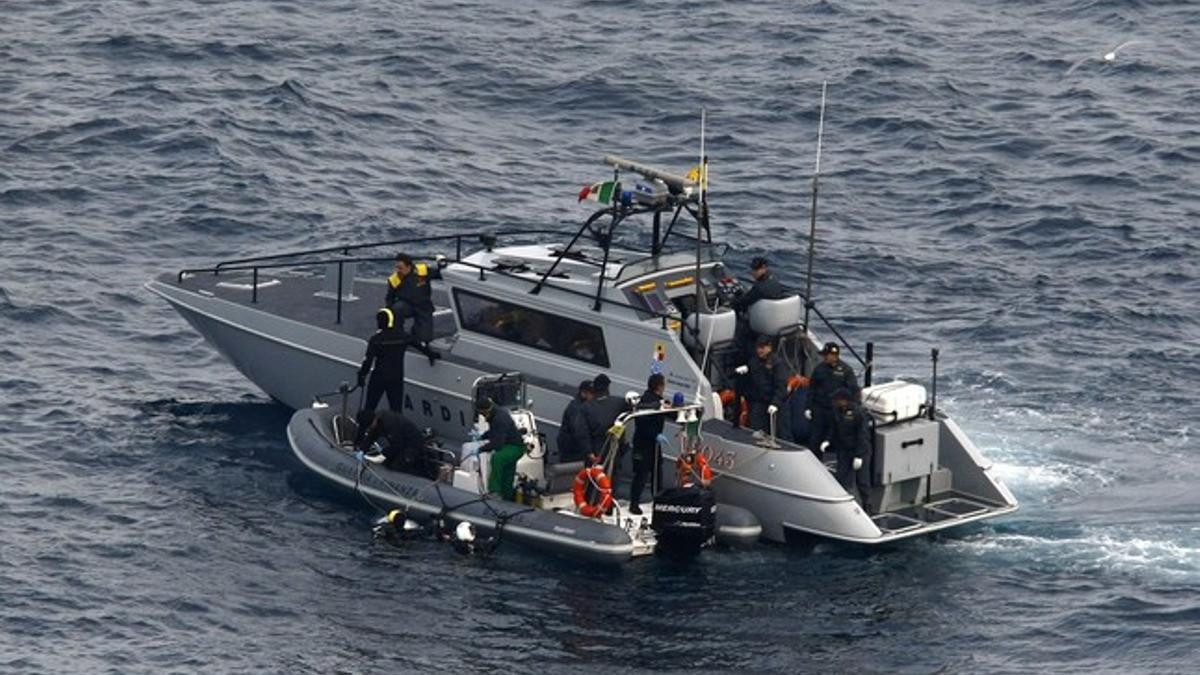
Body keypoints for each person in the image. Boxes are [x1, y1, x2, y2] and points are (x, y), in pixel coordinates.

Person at [358, 308, 416, 416]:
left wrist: (361, 375)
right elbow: (417, 344)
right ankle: (396, 431)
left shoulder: (376, 339)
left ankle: (362, 431)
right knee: (396, 411)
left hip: (379, 377)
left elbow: (368, 361)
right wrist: (431, 354)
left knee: (369, 407)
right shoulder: (403, 336)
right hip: (396, 377)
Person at [807, 342, 860, 459]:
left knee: (838, 438)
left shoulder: (846, 370)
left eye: (827, 355)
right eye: (824, 355)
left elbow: (854, 391)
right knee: (816, 438)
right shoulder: (819, 369)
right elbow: (812, 388)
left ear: (835, 355)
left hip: (837, 410)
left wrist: (852, 408)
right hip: (820, 409)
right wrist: (808, 407)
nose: (825, 357)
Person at [628, 373, 669, 514]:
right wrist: (655, 435)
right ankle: (634, 504)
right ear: (659, 386)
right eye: (663, 385)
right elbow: (641, 423)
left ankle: (658, 502)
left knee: (657, 473)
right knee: (641, 474)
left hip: (654, 446)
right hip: (643, 444)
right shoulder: (646, 402)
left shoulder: (659, 400)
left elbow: (668, 412)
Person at [385, 252, 442, 349]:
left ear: (409, 266)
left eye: (401, 268)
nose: (398, 270)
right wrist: (388, 313)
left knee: (424, 338)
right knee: (396, 309)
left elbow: (439, 274)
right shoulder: (394, 279)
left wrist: (441, 265)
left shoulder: (422, 270)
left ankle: (420, 337)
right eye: (397, 268)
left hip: (423, 305)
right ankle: (398, 335)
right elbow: (390, 297)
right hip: (407, 305)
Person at [829, 388, 872, 512]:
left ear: (844, 401)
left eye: (837, 400)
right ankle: (844, 507)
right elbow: (833, 428)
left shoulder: (858, 413)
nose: (835, 402)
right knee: (842, 477)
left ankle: (867, 507)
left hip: (859, 450)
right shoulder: (837, 411)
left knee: (862, 481)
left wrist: (859, 455)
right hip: (844, 449)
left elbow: (862, 435)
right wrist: (827, 440)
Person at [736, 335, 789, 435]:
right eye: (758, 347)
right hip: (759, 402)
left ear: (769, 347)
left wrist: (775, 403)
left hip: (774, 403)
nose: (760, 350)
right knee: (756, 430)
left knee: (781, 432)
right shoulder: (754, 361)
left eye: (762, 347)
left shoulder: (777, 364)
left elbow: (781, 385)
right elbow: (752, 381)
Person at [475, 398, 526, 501]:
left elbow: (498, 443)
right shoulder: (496, 413)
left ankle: (495, 491)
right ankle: (507, 497)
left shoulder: (499, 418)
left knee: (497, 458)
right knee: (507, 472)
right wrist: (483, 436)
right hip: (514, 445)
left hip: (514, 447)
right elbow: (494, 432)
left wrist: (482, 448)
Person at [356, 409, 426, 472]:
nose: (369, 428)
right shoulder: (377, 421)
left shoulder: (390, 424)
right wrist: (362, 451)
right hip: (400, 443)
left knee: (395, 466)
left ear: (374, 421)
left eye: (369, 426)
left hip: (412, 444)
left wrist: (384, 452)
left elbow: (398, 446)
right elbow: (370, 438)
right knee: (386, 462)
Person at [583, 374, 631, 458]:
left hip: (595, 448)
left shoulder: (586, 407)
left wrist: (589, 452)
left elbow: (582, 432)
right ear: (607, 388)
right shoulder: (618, 403)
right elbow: (635, 406)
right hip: (613, 448)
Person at [556, 380, 594, 463]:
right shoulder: (576, 409)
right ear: (583, 393)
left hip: (573, 446)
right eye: (592, 394)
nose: (594, 396)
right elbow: (579, 430)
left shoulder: (583, 406)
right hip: (572, 449)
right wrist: (588, 450)